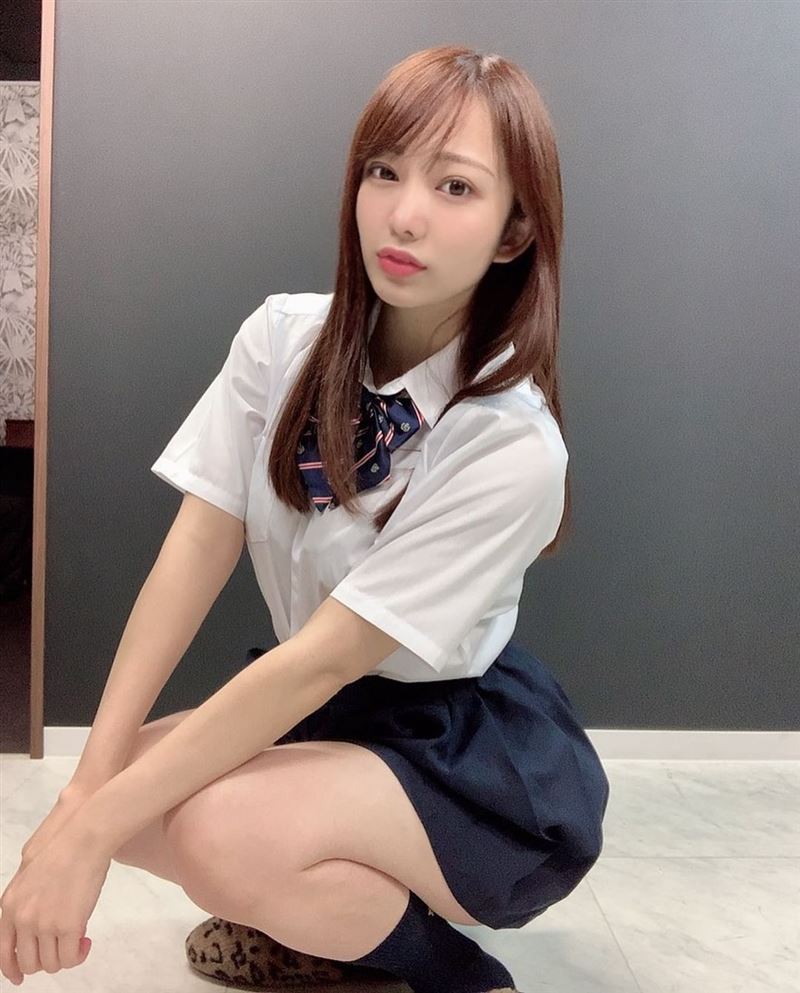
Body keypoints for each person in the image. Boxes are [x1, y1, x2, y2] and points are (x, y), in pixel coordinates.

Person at [136, 45, 611, 993]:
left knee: (214, 832)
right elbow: (199, 538)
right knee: (127, 792)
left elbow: (323, 656)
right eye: (384, 171)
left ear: (514, 232)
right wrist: (81, 800)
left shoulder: (512, 442)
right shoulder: (282, 339)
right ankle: (328, 925)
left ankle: (451, 970)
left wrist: (77, 836)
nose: (404, 213)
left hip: (455, 741)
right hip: (326, 703)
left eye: (456, 186)